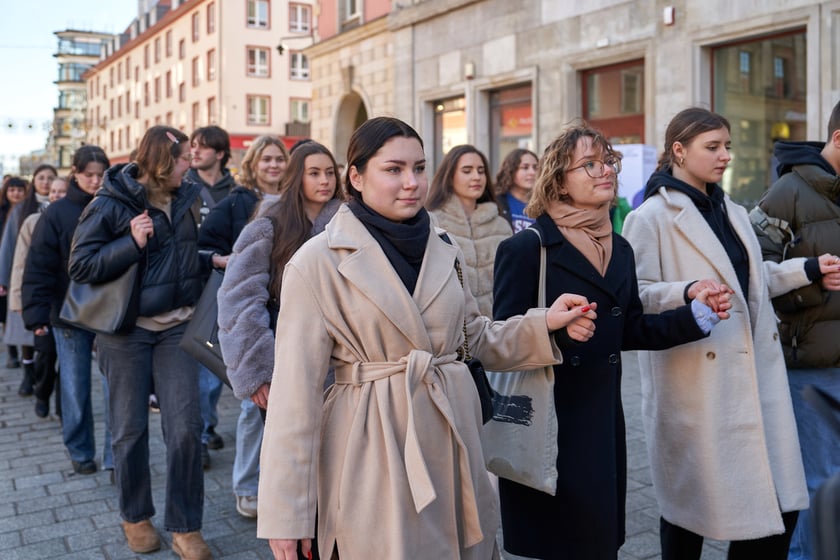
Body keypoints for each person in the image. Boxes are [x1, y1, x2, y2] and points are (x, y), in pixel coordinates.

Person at [257, 116, 600, 560]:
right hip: (370, 443)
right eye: (394, 169)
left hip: (452, 432)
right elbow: (294, 397)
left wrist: (543, 323)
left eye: (419, 168)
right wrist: (288, 515)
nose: (411, 182)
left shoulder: (444, 244)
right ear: (356, 176)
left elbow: (473, 336)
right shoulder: (316, 261)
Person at [493, 121, 730, 560]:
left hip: (602, 422)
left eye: (609, 162)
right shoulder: (527, 249)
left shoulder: (619, 249)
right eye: (589, 165)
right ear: (559, 182)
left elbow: (632, 327)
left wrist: (694, 316)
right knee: (558, 546)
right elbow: (499, 342)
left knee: (599, 544)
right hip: (548, 426)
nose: (606, 172)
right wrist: (551, 326)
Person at [621, 107, 840, 560]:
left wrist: (808, 269)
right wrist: (686, 292)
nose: (724, 157)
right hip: (695, 385)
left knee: (773, 507)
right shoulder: (650, 218)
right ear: (678, 151)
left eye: (728, 147)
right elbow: (635, 295)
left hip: (754, 375)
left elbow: (751, 279)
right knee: (688, 515)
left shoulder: (732, 210)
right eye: (712, 147)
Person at [68, 126, 210, 560]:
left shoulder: (188, 197)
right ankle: (136, 516)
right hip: (126, 331)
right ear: (165, 161)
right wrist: (130, 242)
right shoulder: (110, 202)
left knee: (186, 429)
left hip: (177, 328)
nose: (192, 162)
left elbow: (180, 256)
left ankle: (186, 526)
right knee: (129, 430)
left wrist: (211, 260)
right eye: (186, 157)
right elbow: (81, 265)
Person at [217, 141, 342, 532]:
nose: (324, 180)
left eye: (330, 172)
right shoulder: (269, 224)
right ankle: (289, 530)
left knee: (338, 456)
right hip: (283, 360)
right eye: (314, 172)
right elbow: (239, 299)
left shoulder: (350, 223)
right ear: (296, 177)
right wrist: (256, 372)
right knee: (289, 455)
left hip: (342, 362)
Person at [752, 99, 840, 560]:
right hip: (810, 366)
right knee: (817, 482)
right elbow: (751, 277)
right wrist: (812, 278)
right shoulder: (785, 192)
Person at [198, 135, 288, 503]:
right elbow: (201, 245)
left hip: (288, 314)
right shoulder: (238, 201)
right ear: (252, 163)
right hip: (253, 313)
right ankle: (247, 486)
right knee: (255, 404)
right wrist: (222, 260)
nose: (273, 165)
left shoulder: (297, 202)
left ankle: (276, 485)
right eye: (266, 159)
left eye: (279, 159)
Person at [23, 146, 114, 476]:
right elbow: (39, 265)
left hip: (111, 314)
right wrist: (35, 314)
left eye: (100, 174)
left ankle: (115, 456)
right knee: (75, 386)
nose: (94, 180)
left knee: (114, 388)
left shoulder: (115, 204)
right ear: (75, 172)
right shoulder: (57, 212)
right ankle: (80, 450)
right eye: (88, 173)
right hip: (68, 314)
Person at [187, 125, 239, 463]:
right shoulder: (184, 188)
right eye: (192, 147)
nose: (195, 152)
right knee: (200, 362)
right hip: (190, 284)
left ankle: (206, 427)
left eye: (203, 147)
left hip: (226, 284)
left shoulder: (235, 191)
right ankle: (202, 433)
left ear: (219, 153)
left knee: (215, 361)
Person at [426, 144, 512, 317]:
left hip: (498, 330)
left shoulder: (501, 226)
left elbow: (511, 283)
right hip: (453, 330)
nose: (476, 177)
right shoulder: (433, 223)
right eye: (467, 171)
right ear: (450, 177)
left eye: (481, 171)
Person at [0, 164, 56, 396]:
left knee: (45, 337)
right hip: (23, 278)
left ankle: (44, 378)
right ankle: (27, 374)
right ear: (34, 181)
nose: (45, 182)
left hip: (52, 281)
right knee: (25, 332)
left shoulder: (59, 208)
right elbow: (9, 246)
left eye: (50, 178)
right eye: (41, 178)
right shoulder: (22, 210)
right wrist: (4, 279)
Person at [15, 175, 67, 418]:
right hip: (44, 301)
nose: (56, 195)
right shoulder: (34, 221)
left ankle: (62, 406)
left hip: (68, 304)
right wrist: (19, 300)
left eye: (62, 191)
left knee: (68, 363)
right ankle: (42, 393)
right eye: (53, 191)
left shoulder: (76, 219)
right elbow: (21, 265)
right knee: (46, 356)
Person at [0, 176, 26, 368]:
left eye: (19, 189)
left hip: (20, 266)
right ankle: (11, 351)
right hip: (3, 266)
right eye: (12, 190)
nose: (15, 193)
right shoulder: (2, 212)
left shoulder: (27, 210)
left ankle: (24, 351)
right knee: (4, 313)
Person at [495, 148, 539, 232]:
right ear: (511, 170)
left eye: (535, 167)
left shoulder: (544, 206)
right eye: (525, 167)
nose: (532, 172)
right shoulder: (497, 202)